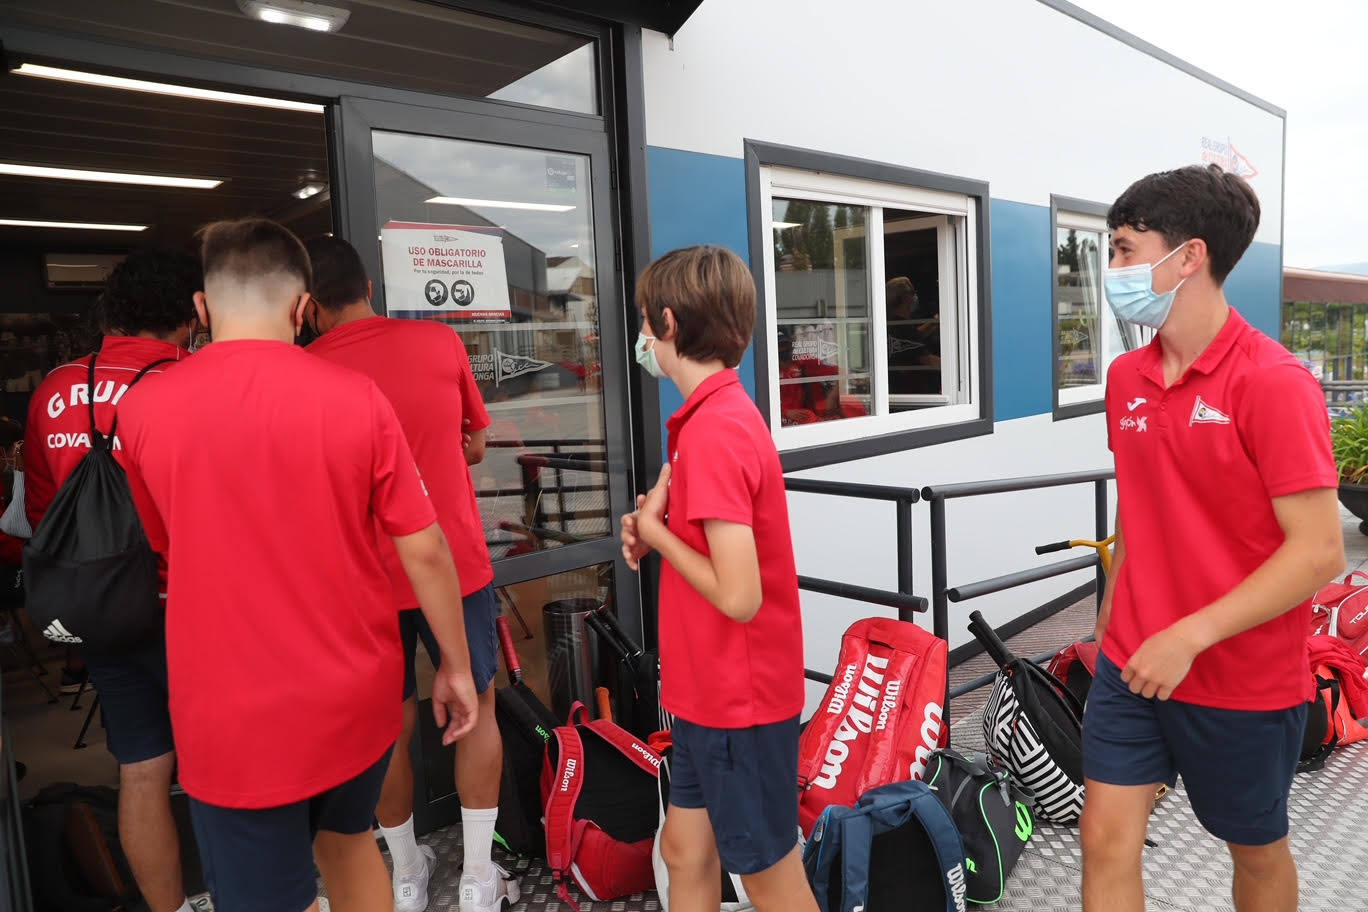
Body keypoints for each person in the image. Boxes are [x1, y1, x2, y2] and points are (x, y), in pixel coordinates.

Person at [117, 219, 480, 912]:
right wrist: (456, 668)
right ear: (300, 307)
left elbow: (166, 547)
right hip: (353, 694)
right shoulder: (355, 399)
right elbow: (425, 548)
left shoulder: (143, 412)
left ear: (201, 308)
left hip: (230, 713)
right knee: (348, 842)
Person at [1080, 164, 1345, 912]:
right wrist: (1115, 591)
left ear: (1188, 257)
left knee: (1255, 853)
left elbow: (1320, 551)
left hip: (1241, 678)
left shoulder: (1274, 382)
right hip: (1132, 659)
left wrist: (1190, 635)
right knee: (1103, 837)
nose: (1115, 268)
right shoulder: (1126, 377)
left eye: (1127, 249)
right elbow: (1142, 494)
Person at [302, 236, 516, 912]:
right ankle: (479, 876)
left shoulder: (304, 369)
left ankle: (404, 874)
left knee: (386, 724)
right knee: (475, 704)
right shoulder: (437, 344)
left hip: (360, 578)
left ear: (306, 307)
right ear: (369, 282)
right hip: (451, 563)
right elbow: (476, 440)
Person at [619, 246, 817, 912]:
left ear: (668, 322)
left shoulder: (712, 432)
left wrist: (657, 535)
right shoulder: (714, 419)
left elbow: (738, 595)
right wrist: (661, 527)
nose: (642, 337)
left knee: (769, 876)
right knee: (685, 849)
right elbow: (722, 543)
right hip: (710, 694)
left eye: (646, 322)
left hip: (738, 699)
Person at [23, 251, 202, 912]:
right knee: (215, 770)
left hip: (101, 607)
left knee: (142, 770)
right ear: (189, 314)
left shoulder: (53, 389)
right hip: (188, 608)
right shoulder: (190, 379)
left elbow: (42, 517)